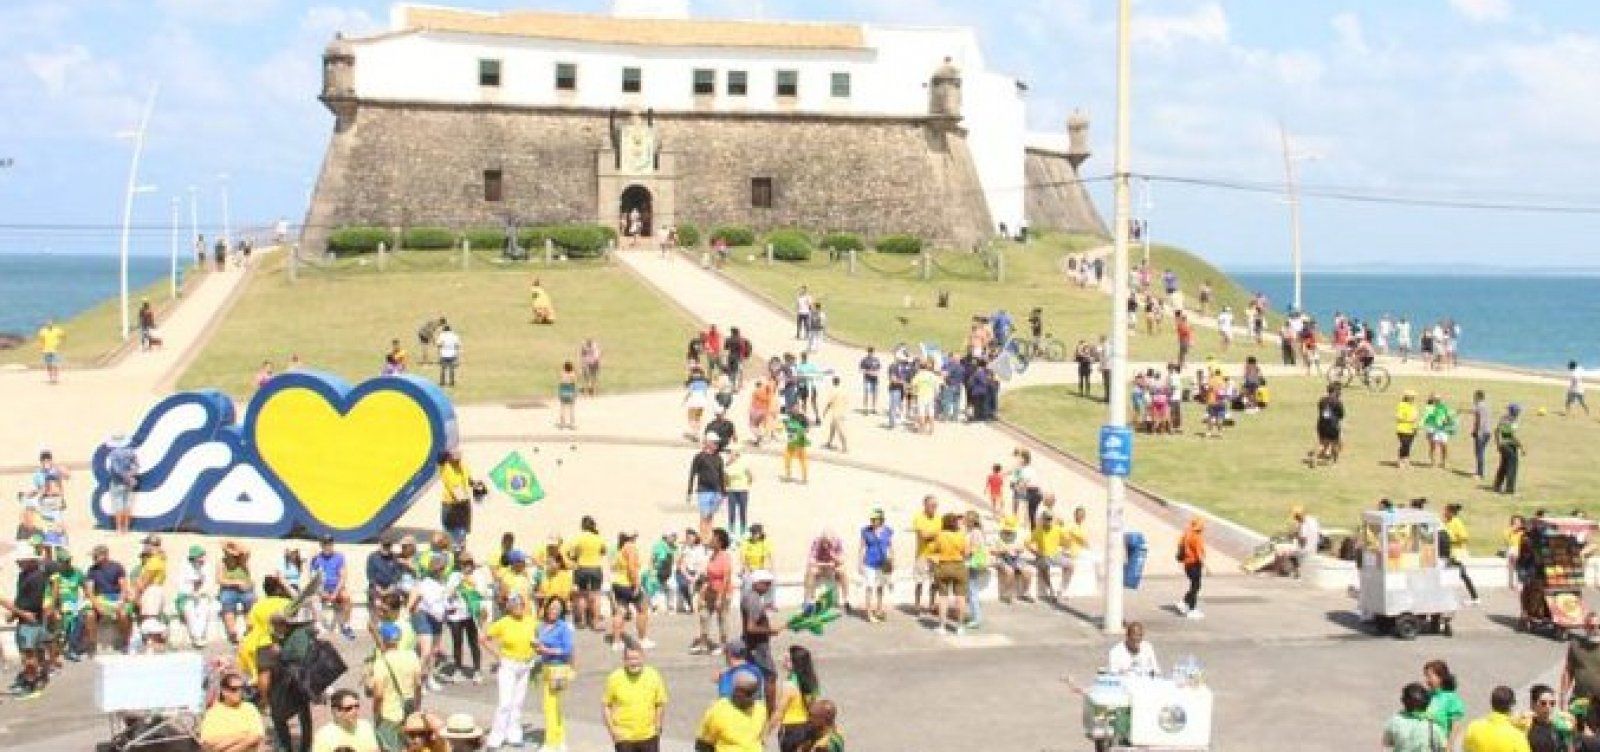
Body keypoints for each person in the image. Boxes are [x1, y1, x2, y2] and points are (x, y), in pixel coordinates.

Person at [481, 594, 537, 750]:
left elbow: (538, 638)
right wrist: (497, 654)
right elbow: (484, 638)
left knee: (518, 702)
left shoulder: (530, 621)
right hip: (508, 665)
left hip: (525, 664)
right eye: (515, 605)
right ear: (510, 607)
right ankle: (496, 737)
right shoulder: (503, 623)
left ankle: (514, 734)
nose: (519, 608)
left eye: (521, 605)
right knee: (505, 702)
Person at [263, 606, 318, 752]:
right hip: (292, 679)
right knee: (301, 713)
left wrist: (280, 653)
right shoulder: (288, 635)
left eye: (276, 624)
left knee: (285, 713)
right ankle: (293, 745)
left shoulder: (299, 635)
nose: (274, 628)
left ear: (284, 624)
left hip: (296, 680)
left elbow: (299, 656)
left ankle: (296, 746)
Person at [603, 644, 669, 752]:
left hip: (648, 736)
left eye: (636, 658)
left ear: (643, 658)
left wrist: (658, 726)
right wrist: (613, 731)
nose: (633, 662)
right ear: (624, 660)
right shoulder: (615, 677)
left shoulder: (653, 675)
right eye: (629, 659)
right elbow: (606, 705)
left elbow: (660, 703)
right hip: (624, 738)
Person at [1, 549, 48, 696]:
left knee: (28, 655)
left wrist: (18, 613)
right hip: (25, 619)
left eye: (20, 560)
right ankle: (35, 679)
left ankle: (30, 684)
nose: (17, 563)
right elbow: (21, 598)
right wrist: (15, 614)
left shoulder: (37, 578)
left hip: (31, 621)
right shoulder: (24, 576)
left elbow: (31, 605)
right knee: (31, 654)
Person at [535, 597, 577, 752]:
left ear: (561, 611)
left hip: (559, 668)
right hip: (546, 667)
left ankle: (555, 741)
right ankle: (554, 739)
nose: (554, 610)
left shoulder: (564, 627)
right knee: (548, 706)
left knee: (555, 705)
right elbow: (540, 645)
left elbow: (567, 649)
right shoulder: (541, 626)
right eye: (551, 607)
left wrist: (547, 650)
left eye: (557, 608)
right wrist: (537, 648)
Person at [770, 645, 822, 752]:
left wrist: (766, 731)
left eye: (788, 659)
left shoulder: (789, 685)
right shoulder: (812, 681)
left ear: (795, 664)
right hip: (807, 727)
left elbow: (779, 712)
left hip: (791, 730)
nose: (783, 660)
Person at [698, 672, 768, 752]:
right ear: (736, 691)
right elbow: (703, 744)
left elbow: (760, 738)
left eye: (754, 694)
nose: (752, 698)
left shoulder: (760, 709)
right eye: (748, 694)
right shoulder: (718, 710)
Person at [741, 571, 781, 708]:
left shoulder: (750, 597)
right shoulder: (753, 599)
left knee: (754, 675)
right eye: (766, 584)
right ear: (756, 583)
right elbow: (751, 628)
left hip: (753, 645)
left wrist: (764, 608)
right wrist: (771, 630)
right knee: (770, 676)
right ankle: (770, 709)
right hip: (758, 646)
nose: (768, 587)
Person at [200, 671, 267, 752]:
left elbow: (256, 737)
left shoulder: (250, 708)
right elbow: (208, 743)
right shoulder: (212, 714)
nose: (239, 692)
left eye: (241, 688)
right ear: (224, 691)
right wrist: (242, 735)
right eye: (234, 689)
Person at [84, 543, 131, 656]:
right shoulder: (92, 570)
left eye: (96, 556)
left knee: (123, 614)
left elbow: (124, 587)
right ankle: (92, 642)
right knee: (90, 615)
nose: (94, 558)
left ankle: (125, 641)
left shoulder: (117, 567)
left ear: (104, 555)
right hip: (100, 598)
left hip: (115, 597)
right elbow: (89, 590)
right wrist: (97, 605)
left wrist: (121, 601)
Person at [610, 530, 654, 651]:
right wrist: (636, 584)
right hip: (627, 583)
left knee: (621, 611)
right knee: (642, 609)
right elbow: (631, 567)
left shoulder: (621, 547)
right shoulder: (630, 547)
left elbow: (614, 566)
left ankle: (616, 641)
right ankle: (642, 639)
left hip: (618, 583)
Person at [694, 529, 736, 655]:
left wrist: (720, 597)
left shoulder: (725, 557)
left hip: (722, 593)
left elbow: (726, 578)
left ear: (720, 542)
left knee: (722, 618)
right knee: (704, 615)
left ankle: (724, 645)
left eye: (713, 538)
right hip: (710, 592)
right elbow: (708, 576)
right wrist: (702, 592)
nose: (711, 540)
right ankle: (703, 642)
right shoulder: (712, 556)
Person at [930, 513, 969, 635]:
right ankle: (960, 627)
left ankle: (942, 626)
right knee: (960, 598)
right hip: (958, 566)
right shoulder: (962, 535)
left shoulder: (940, 535)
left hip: (943, 566)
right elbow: (967, 552)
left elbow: (934, 549)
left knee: (943, 597)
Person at [311, 536, 355, 640]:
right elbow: (313, 579)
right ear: (321, 545)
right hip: (322, 589)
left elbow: (343, 577)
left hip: (336, 588)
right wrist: (322, 592)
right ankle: (319, 626)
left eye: (330, 543)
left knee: (347, 598)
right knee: (313, 600)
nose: (328, 546)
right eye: (325, 543)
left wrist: (335, 593)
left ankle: (346, 626)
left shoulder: (339, 557)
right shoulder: (316, 559)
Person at [570, 515, 608, 632]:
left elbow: (572, 552)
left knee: (582, 595)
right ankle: (595, 622)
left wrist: (576, 557)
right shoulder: (598, 537)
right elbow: (603, 551)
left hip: (581, 567)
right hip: (595, 568)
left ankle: (581, 621)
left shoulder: (579, 538)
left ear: (582, 525)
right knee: (595, 596)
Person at [1463, 686, 1530, 752]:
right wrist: (1525, 730)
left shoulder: (1473, 727)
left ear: (1491, 703)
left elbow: (1466, 748)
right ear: (1511, 705)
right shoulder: (1517, 736)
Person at [1384, 683, 1447, 752]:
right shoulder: (1432, 726)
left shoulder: (1394, 721)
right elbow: (1443, 748)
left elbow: (1387, 743)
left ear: (1403, 701)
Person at [313, 689, 381, 752]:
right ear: (336, 712)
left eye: (356, 706)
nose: (355, 711)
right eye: (349, 708)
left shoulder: (365, 725)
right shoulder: (323, 736)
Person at [858, 509, 893, 623]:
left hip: (882, 563)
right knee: (869, 587)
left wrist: (892, 560)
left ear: (881, 519)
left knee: (880, 587)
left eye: (875, 519)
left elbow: (890, 546)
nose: (872, 521)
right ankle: (869, 613)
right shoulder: (865, 531)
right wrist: (860, 563)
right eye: (871, 519)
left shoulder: (887, 531)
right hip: (869, 563)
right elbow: (862, 547)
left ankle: (879, 609)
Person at [219, 541, 257, 645]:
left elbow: (247, 551)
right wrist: (235, 583)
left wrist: (237, 547)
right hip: (229, 588)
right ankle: (233, 633)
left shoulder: (242, 561)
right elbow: (220, 580)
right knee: (227, 602)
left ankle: (250, 628)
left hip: (245, 588)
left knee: (250, 601)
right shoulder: (222, 563)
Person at [1442, 504, 1481, 605]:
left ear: (1450, 512)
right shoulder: (1447, 522)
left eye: (1445, 510)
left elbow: (1464, 537)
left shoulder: (1457, 522)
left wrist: (1451, 540)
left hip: (1456, 554)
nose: (1443, 512)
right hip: (1449, 553)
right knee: (1461, 575)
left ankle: (1475, 598)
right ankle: (1474, 597)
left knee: (1462, 575)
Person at [1426, 660, 1467, 751]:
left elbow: (1455, 726)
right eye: (1426, 676)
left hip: (1441, 746)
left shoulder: (1451, 698)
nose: (1427, 680)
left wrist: (1449, 747)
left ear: (1440, 677)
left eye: (1429, 676)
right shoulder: (1427, 695)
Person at [1519, 684, 1574, 752]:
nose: (1548, 707)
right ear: (1533, 705)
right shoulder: (1526, 727)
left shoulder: (1561, 727)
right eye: (1543, 703)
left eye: (1552, 703)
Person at [438, 450, 475, 548]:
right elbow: (439, 457)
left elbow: (469, 479)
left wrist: (475, 484)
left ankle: (461, 553)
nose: (456, 461)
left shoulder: (463, 466)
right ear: (449, 458)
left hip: (463, 505)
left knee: (462, 535)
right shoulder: (444, 467)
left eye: (458, 459)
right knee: (450, 535)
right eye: (454, 459)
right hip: (450, 505)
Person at [912, 496, 942, 615]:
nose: (933, 508)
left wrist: (932, 534)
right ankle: (917, 606)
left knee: (934, 582)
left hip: (936, 555)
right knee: (919, 582)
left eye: (935, 506)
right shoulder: (918, 518)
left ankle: (931, 605)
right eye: (931, 505)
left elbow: (941, 534)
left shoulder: (939, 518)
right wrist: (936, 534)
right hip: (922, 555)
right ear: (925, 505)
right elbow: (924, 535)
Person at [104, 434, 139, 534]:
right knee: (127, 506)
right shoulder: (131, 452)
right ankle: (127, 528)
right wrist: (131, 476)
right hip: (128, 483)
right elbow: (136, 466)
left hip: (117, 481)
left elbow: (116, 470)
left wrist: (126, 478)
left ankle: (119, 528)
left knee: (118, 506)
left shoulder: (113, 454)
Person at [1177, 518, 1207, 619]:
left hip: (1187, 564)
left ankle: (1184, 602)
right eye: (1202, 525)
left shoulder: (1186, 534)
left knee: (1195, 586)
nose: (1204, 527)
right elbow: (1199, 554)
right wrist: (1206, 567)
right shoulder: (1197, 537)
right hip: (1195, 564)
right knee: (1196, 586)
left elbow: (1180, 545)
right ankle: (1191, 609)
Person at [1493, 404, 1526, 495]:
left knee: (1503, 466)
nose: (1519, 413)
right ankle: (1509, 489)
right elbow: (1512, 436)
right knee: (1512, 467)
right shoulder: (1511, 421)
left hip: (1503, 445)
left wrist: (1498, 444)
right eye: (1518, 411)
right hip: (1509, 446)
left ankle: (1497, 485)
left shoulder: (1503, 418)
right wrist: (1521, 447)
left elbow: (1496, 431)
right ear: (1514, 412)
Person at [1310, 383, 1345, 467]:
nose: (1340, 393)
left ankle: (1314, 458)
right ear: (1335, 391)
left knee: (1322, 443)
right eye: (1339, 391)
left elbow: (1320, 409)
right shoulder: (1338, 402)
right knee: (1335, 444)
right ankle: (1334, 462)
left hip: (1321, 424)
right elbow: (1341, 415)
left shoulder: (1322, 400)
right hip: (1333, 425)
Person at [1423, 394, 1458, 469]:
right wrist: (1429, 429)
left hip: (1443, 430)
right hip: (1433, 429)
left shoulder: (1444, 407)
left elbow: (1450, 416)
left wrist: (1448, 421)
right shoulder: (1430, 408)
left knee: (1444, 446)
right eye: (1435, 399)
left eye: (1438, 399)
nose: (1437, 401)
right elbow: (1427, 419)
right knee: (1433, 446)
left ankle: (1444, 462)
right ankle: (1433, 462)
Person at [821, 376, 849, 453]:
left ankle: (845, 447)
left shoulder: (833, 391)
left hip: (836, 413)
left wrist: (825, 411)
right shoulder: (843, 391)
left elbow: (829, 403)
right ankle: (829, 443)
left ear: (833, 382)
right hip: (842, 412)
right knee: (832, 429)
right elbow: (846, 402)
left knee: (840, 431)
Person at [1471, 390, 1494, 481]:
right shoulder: (1486, 406)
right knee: (1480, 452)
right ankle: (1479, 472)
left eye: (1474, 396)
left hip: (1481, 433)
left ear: (1478, 397)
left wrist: (1476, 431)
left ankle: (1480, 473)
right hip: (1488, 432)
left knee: (1479, 453)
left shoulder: (1479, 406)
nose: (1473, 398)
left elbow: (1478, 420)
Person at [1395, 391, 1421, 470]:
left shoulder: (1413, 406)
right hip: (1403, 429)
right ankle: (1400, 461)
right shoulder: (1401, 405)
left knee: (1409, 445)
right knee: (1404, 444)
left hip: (1411, 429)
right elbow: (1399, 417)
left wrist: (1416, 427)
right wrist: (1409, 420)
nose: (1413, 398)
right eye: (1411, 397)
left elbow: (1416, 417)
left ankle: (1406, 461)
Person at [858, 346, 881, 414]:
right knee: (866, 394)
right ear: (868, 352)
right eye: (870, 351)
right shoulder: (864, 360)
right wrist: (869, 372)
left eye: (872, 351)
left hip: (875, 379)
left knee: (875, 394)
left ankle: (874, 408)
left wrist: (876, 373)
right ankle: (865, 408)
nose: (871, 353)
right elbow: (860, 370)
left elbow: (879, 368)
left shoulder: (876, 360)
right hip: (867, 379)